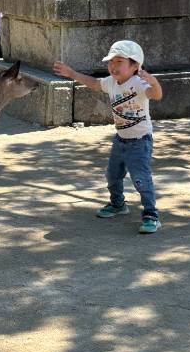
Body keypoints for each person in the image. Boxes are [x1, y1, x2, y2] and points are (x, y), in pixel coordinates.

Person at [53, 40, 164, 234]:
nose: (113, 66)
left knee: (140, 179)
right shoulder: (111, 82)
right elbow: (95, 84)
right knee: (112, 176)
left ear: (135, 65)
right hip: (120, 140)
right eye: (110, 62)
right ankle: (118, 204)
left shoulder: (139, 83)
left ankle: (151, 214)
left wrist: (154, 82)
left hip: (140, 142)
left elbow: (155, 95)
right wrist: (71, 74)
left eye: (119, 61)